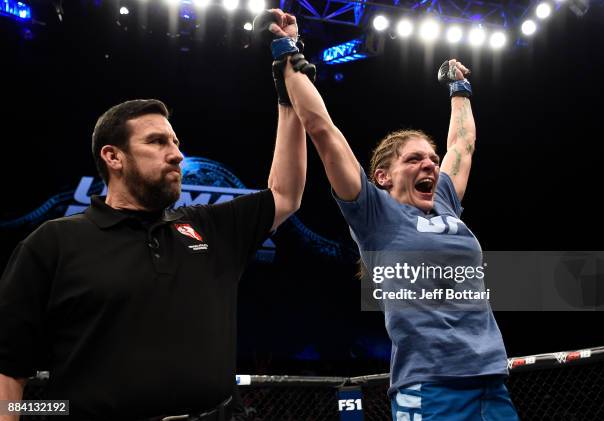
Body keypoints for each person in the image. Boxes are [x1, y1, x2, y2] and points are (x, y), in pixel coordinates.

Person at [263, 10, 520, 421]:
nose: (431, 166)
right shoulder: (373, 213)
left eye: (432, 160)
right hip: (431, 386)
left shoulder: (445, 200)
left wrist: (459, 87)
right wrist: (287, 55)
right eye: (415, 159)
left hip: (490, 378)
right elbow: (322, 128)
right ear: (382, 176)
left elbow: (463, 144)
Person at [0, 97, 306, 420]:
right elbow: (8, 366)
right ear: (113, 156)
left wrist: (288, 95)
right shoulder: (52, 244)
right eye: (157, 142)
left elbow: (285, 195)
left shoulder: (209, 228)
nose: (177, 155)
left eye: (174, 142)